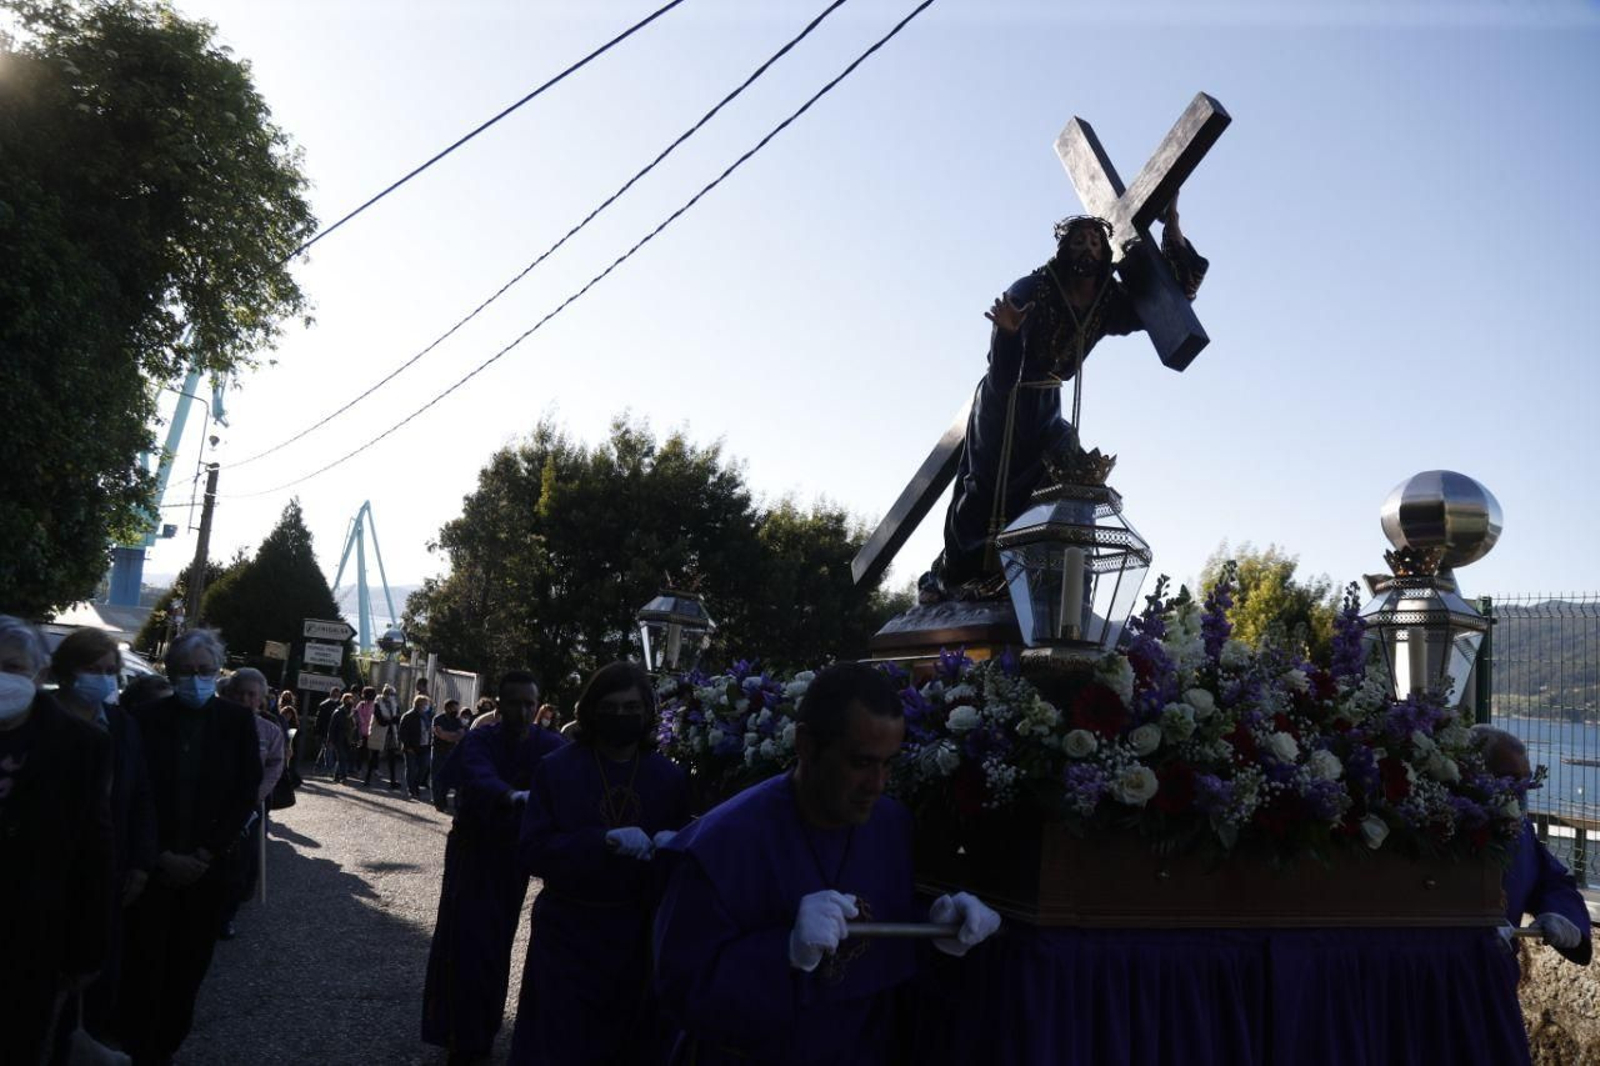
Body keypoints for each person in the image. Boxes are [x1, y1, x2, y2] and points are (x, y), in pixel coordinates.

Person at [653, 661, 1001, 1065]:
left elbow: (887, 955)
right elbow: (680, 989)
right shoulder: (720, 845)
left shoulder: (892, 825)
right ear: (805, 745)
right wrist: (782, 952)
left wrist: (938, 928)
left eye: (888, 763)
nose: (878, 784)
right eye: (860, 763)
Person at [923, 201, 1207, 599]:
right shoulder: (1033, 289)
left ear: (1106, 252)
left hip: (1047, 406)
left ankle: (1047, 579)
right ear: (1064, 249)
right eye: (1079, 241)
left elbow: (1177, 296)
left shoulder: (1107, 303)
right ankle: (960, 575)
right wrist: (1006, 333)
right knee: (986, 488)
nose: (1087, 247)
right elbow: (1002, 374)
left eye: (1095, 241)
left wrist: (1172, 222)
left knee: (1064, 474)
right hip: (1004, 403)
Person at [511, 662, 690, 1064]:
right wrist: (599, 842)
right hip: (568, 933)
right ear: (591, 711)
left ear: (647, 713)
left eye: (632, 708)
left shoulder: (669, 777)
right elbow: (532, 849)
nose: (623, 717)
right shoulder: (557, 769)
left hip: (635, 936)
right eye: (612, 707)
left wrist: (673, 848)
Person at [115, 629, 262, 1065]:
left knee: (188, 967)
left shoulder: (236, 722)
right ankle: (138, 1046)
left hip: (207, 871)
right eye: (187, 671)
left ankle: (165, 1046)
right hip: (150, 868)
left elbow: (244, 791)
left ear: (217, 673)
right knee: (143, 964)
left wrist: (204, 855)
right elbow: (132, 794)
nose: (196, 678)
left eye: (205, 671)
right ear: (171, 671)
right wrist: (158, 854)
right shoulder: (144, 719)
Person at [421, 670, 566, 1065]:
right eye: (514, 703)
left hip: (512, 857)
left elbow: (573, 774)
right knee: (462, 937)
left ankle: (482, 1025)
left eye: (529, 704)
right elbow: (478, 775)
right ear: (499, 706)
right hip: (472, 850)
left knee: (497, 941)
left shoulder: (550, 744)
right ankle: (458, 1032)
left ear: (537, 708)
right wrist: (512, 796)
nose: (522, 711)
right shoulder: (481, 738)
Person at [0, 617, 115, 1066]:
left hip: (29, 940)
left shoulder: (81, 747)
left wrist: (87, 950)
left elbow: (94, 852)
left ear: (39, 675)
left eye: (11, 666)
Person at [49, 627, 158, 1042]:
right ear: (68, 671)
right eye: (93, 669)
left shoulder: (122, 724)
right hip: (46, 876)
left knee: (96, 982)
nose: (103, 677)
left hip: (106, 878)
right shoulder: (41, 717)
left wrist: (141, 864)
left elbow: (142, 794)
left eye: (110, 670)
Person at [1475, 727, 1593, 967]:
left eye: (1525, 780)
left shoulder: (1520, 831)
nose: (1521, 790)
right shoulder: (1439, 827)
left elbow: (1549, 881)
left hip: (1498, 973)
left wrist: (1561, 915)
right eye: (1510, 778)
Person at [216, 667, 284, 939]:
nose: (245, 699)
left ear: (261, 698)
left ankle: (227, 916)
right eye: (239, 694)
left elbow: (277, 764)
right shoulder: (216, 723)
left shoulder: (269, 730)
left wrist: (259, 792)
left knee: (242, 864)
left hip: (249, 806)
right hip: (215, 802)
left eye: (251, 694)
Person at [432, 699, 466, 812]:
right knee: (437, 777)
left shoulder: (457, 721)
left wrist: (449, 736)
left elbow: (461, 735)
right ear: (447, 708)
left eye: (457, 709)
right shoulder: (438, 719)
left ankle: (443, 799)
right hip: (438, 752)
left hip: (451, 753)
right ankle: (438, 802)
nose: (456, 711)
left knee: (448, 779)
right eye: (453, 709)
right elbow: (440, 734)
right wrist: (453, 736)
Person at [399, 694, 431, 799]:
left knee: (424, 768)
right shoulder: (408, 716)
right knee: (411, 769)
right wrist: (407, 746)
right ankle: (411, 789)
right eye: (425, 704)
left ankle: (416, 786)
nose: (427, 706)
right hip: (411, 747)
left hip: (424, 747)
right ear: (418, 704)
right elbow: (402, 733)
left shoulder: (426, 716)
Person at [328, 693, 359, 784]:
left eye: (351, 700)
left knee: (342, 758)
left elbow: (356, 726)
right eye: (348, 700)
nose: (350, 702)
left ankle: (336, 776)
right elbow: (332, 727)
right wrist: (330, 740)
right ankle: (343, 777)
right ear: (344, 700)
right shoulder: (338, 712)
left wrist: (357, 738)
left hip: (348, 739)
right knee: (342, 757)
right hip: (339, 738)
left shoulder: (353, 712)